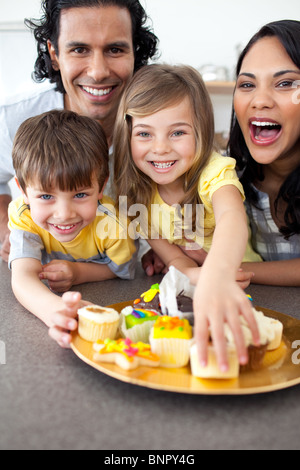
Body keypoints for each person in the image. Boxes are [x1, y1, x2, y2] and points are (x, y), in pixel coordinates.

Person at [112, 64, 261, 371]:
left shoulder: (212, 171)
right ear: (127, 135)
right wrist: (194, 275)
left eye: (177, 132)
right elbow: (177, 261)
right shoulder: (136, 193)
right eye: (144, 134)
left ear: (202, 132)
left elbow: (232, 218)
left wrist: (216, 273)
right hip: (203, 285)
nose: (161, 148)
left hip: (251, 287)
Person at [0, 0, 158, 262]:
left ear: (135, 52)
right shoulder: (12, 118)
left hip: (131, 274)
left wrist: (169, 247)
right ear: (54, 53)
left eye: (115, 49)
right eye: (80, 49)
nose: (98, 72)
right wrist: (6, 227)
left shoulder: (165, 119)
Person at [8, 110, 137, 347]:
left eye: (80, 194)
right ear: (24, 192)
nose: (64, 214)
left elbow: (121, 270)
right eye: (46, 196)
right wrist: (54, 310)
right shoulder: (23, 216)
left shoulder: (114, 225)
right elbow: (23, 276)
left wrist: (77, 272)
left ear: (101, 186)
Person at [228, 20, 300, 286]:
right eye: (247, 85)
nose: (260, 100)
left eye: (285, 83)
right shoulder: (230, 180)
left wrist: (232, 268)